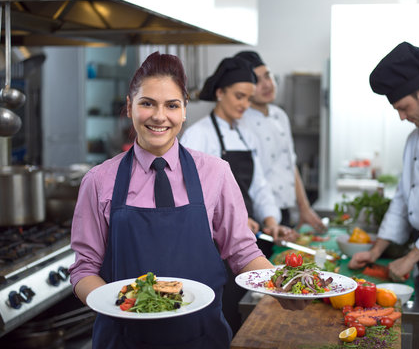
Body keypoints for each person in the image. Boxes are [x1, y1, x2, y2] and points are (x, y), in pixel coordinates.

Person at [68, 51, 292, 349]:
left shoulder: (216, 173)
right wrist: (121, 305)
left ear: (184, 109)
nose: (159, 116)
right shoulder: (98, 180)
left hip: (201, 337)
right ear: (129, 106)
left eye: (171, 105)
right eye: (147, 103)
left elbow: (242, 251)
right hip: (122, 339)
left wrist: (281, 287)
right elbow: (84, 269)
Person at [348, 41, 419, 349]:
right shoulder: (413, 139)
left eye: (403, 108)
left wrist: (410, 257)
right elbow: (402, 199)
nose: (401, 117)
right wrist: (376, 250)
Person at [180, 56, 296, 334]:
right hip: (213, 245)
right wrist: (234, 221)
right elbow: (190, 199)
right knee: (224, 311)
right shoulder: (198, 136)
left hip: (246, 240)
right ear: (220, 93)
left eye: (248, 98)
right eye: (239, 96)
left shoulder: (247, 135)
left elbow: (259, 186)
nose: (245, 104)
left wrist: (270, 219)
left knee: (252, 312)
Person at [235, 51, 325, 231]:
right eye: (257, 80)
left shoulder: (280, 115)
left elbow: (290, 164)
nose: (267, 84)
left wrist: (304, 208)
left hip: (284, 212)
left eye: (268, 75)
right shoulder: (240, 121)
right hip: (256, 215)